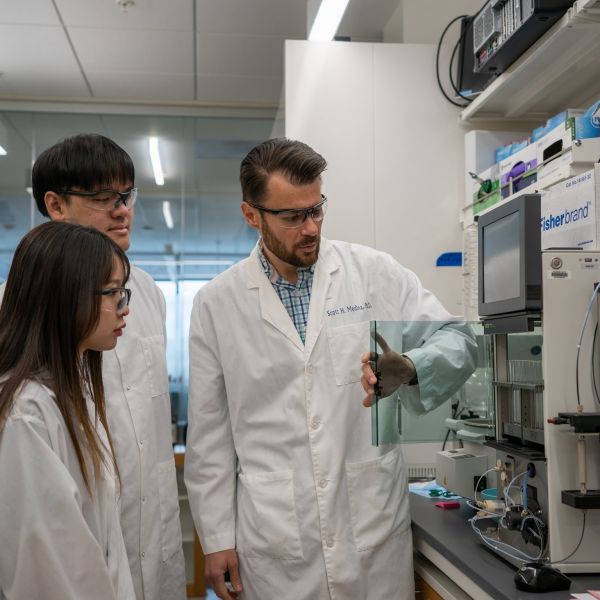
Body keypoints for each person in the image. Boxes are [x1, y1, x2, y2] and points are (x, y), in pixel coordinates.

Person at [185, 138, 477, 600]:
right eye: (292, 216)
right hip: (276, 542)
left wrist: (414, 366)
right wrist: (217, 537)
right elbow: (210, 435)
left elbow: (461, 341)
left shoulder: (375, 273)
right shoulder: (215, 304)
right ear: (251, 215)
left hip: (370, 530)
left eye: (316, 209)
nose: (310, 227)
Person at [20, 134, 185, 600]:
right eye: (102, 198)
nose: (122, 210)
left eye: (127, 195)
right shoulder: (18, 306)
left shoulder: (147, 294)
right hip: (75, 556)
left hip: (155, 544)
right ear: (55, 204)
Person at [0, 221, 135, 599]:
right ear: (64, 297)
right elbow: (49, 570)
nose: (124, 309)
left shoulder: (70, 390)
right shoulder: (25, 413)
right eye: (113, 293)